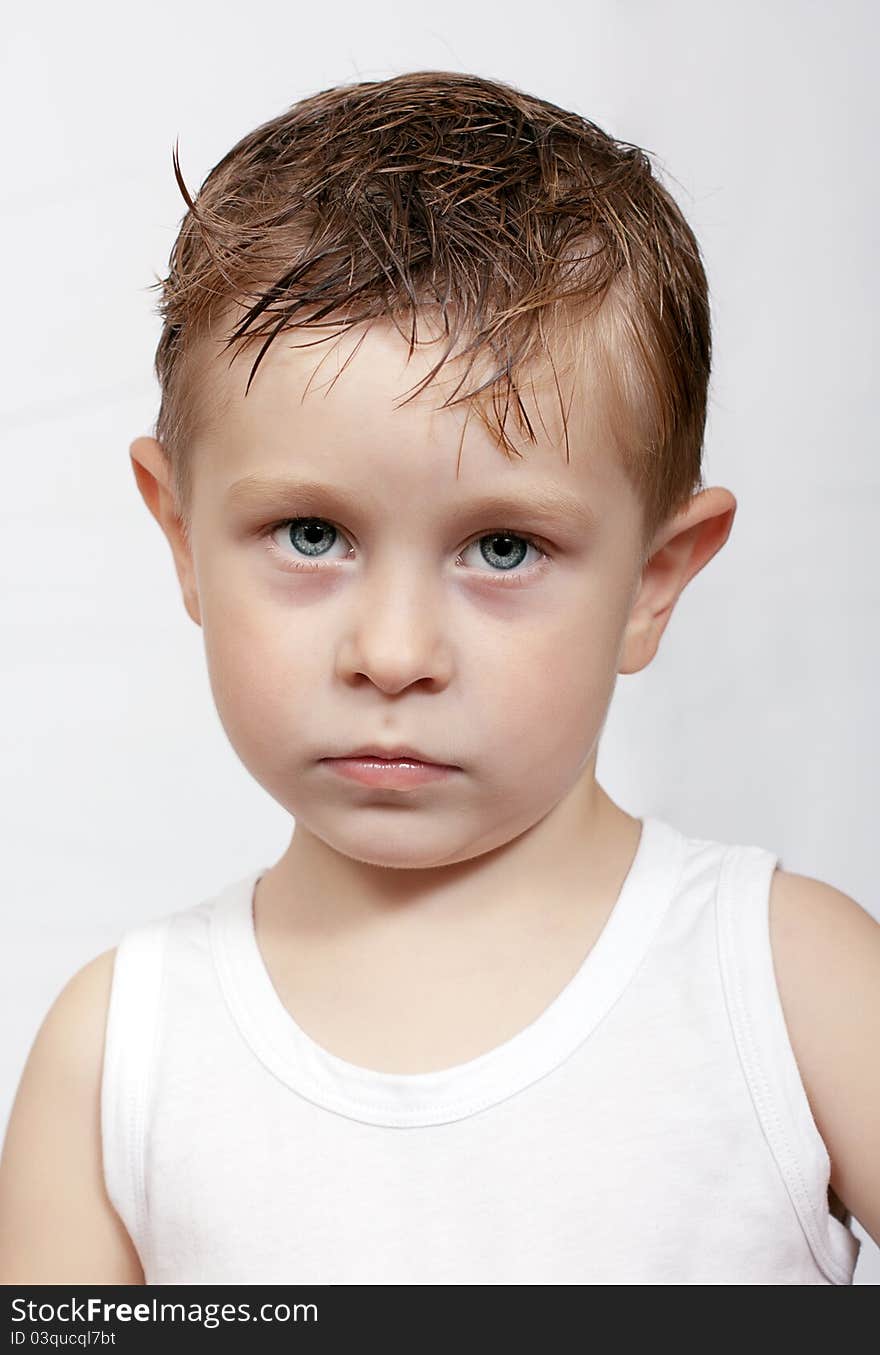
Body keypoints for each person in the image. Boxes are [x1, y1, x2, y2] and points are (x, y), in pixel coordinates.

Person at [0, 69, 876, 1286]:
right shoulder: (114, 1059)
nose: (395, 653)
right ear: (180, 533)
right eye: (312, 534)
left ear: (653, 580)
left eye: (502, 548)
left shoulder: (790, 986)